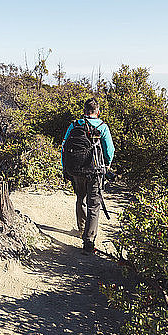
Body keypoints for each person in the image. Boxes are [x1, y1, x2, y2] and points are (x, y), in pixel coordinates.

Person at [62, 98, 115, 254]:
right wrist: (107, 165)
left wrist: (65, 167)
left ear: (84, 111)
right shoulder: (102, 127)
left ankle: (81, 229)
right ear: (97, 111)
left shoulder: (74, 125)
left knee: (81, 199)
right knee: (94, 205)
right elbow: (109, 151)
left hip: (76, 169)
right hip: (94, 171)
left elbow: (64, 147)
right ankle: (89, 242)